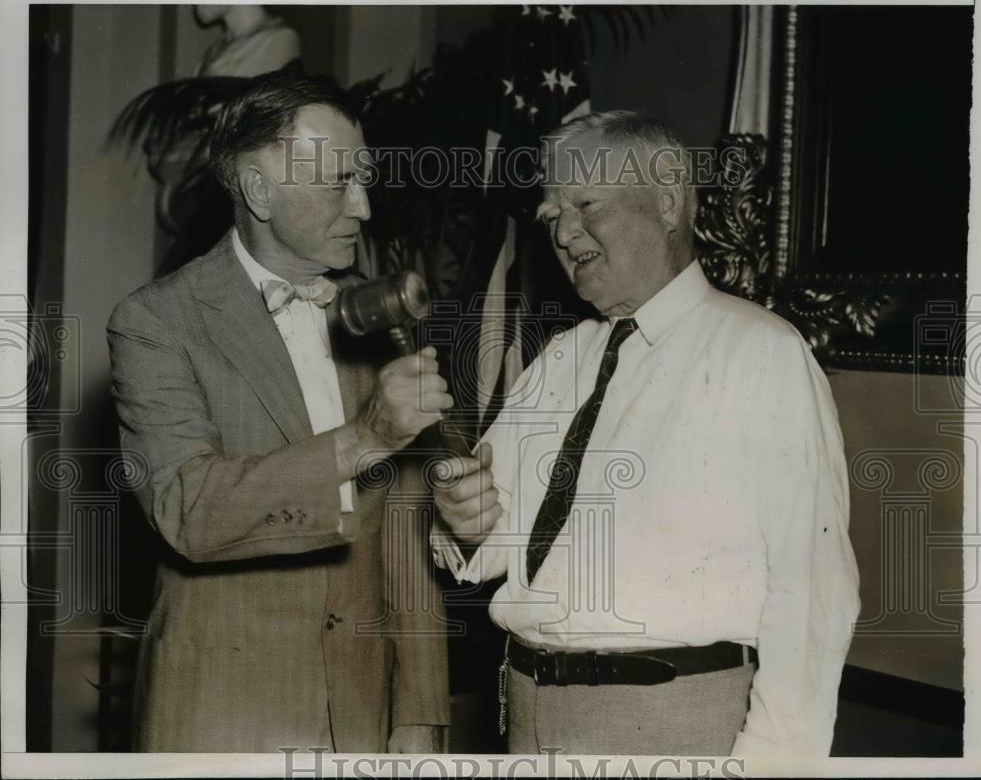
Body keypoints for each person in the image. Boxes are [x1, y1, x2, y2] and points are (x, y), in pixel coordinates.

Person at [432, 110, 861, 756]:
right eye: (551, 215)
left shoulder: (760, 353)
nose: (563, 231)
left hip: (675, 720)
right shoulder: (559, 361)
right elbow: (492, 538)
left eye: (585, 204)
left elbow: (814, 589)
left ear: (666, 201)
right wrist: (464, 521)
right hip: (527, 715)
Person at [108, 73, 450, 753]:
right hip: (219, 713)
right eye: (338, 183)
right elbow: (189, 510)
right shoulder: (156, 321)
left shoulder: (372, 310)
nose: (363, 207)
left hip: (360, 713)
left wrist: (419, 712)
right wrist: (364, 438)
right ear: (259, 191)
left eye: (364, 179)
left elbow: (404, 536)